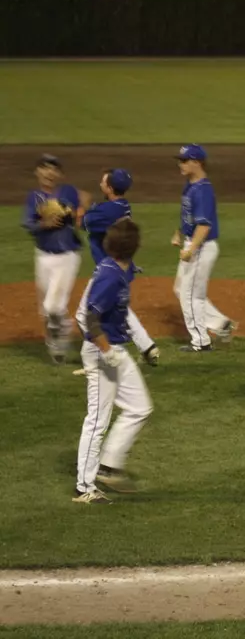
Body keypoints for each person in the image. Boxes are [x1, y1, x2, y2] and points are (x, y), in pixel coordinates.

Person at [73, 218, 153, 503]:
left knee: (140, 407)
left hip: (116, 350)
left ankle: (108, 465)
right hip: (101, 352)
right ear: (134, 246)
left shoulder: (120, 269)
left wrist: (144, 345)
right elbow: (88, 318)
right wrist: (107, 352)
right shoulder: (108, 276)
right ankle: (84, 487)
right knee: (97, 420)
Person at [82, 169, 159, 367]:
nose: (100, 184)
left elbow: (84, 222)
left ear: (109, 188)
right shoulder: (121, 206)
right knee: (119, 310)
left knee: (87, 313)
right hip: (119, 266)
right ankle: (148, 347)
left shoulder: (109, 211)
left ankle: (95, 359)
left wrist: (79, 208)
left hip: (109, 269)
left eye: (103, 182)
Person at [22, 154, 89, 364]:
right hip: (42, 257)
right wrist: (44, 225)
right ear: (37, 172)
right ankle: (56, 344)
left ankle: (65, 329)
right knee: (46, 311)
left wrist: (79, 213)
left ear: (59, 174)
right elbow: (28, 224)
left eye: (53, 168)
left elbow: (85, 197)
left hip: (67, 256)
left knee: (54, 307)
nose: (49, 172)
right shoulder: (33, 197)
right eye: (44, 167)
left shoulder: (67, 191)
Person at [172, 144, 235, 352]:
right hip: (194, 242)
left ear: (197, 162)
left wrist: (191, 249)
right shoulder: (190, 185)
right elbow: (188, 215)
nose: (180, 164)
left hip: (201, 245)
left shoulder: (203, 190)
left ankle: (200, 342)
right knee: (181, 289)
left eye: (184, 160)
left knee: (190, 295)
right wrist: (179, 233)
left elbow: (204, 224)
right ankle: (220, 324)